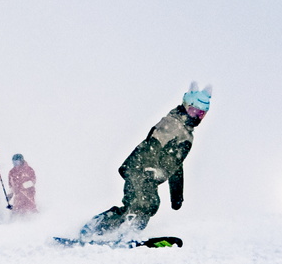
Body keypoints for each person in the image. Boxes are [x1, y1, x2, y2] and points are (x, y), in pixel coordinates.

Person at [78, 83, 211, 241]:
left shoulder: (187, 135)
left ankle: (105, 229)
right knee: (145, 203)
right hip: (141, 169)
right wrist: (148, 167)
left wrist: (176, 196)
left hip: (147, 175)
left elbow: (176, 166)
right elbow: (154, 141)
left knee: (141, 205)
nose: (196, 117)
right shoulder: (172, 123)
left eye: (201, 114)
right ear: (185, 105)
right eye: (193, 111)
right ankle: (122, 231)